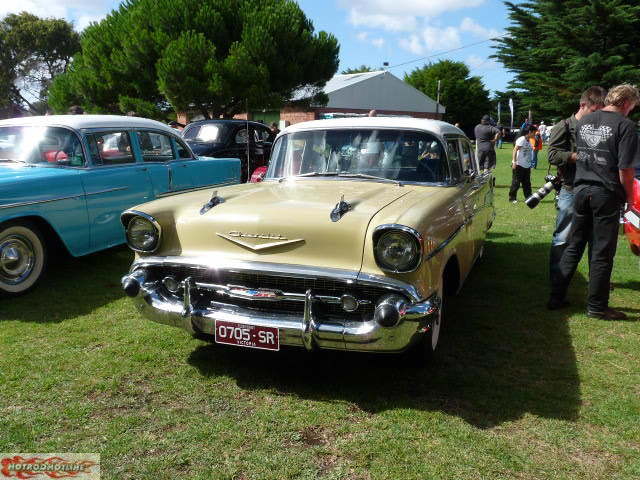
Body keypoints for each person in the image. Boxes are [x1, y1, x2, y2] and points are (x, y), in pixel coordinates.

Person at [549, 84, 640, 319]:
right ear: (627, 103)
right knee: (602, 251)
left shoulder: (585, 121)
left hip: (580, 189)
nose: (632, 111)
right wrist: (630, 198)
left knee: (574, 244)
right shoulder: (626, 126)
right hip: (605, 193)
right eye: (633, 106)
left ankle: (556, 297)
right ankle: (597, 307)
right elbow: (626, 169)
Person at [547, 86, 607, 295]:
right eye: (594, 111)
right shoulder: (564, 125)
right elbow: (553, 155)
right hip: (570, 189)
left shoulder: (598, 128)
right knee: (563, 236)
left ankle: (596, 284)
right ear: (583, 105)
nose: (598, 116)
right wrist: (577, 156)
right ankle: (557, 279)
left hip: (594, 190)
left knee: (595, 239)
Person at [509, 125, 536, 203]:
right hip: (519, 165)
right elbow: (515, 150)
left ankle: (528, 197)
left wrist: (530, 164)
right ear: (530, 132)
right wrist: (514, 162)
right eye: (534, 132)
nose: (535, 134)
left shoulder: (529, 140)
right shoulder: (521, 139)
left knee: (527, 183)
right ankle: (512, 198)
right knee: (516, 182)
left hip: (526, 165)